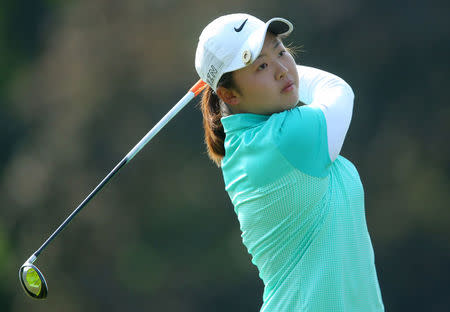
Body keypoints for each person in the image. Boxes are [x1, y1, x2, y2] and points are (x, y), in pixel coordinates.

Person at [195, 13, 385, 311]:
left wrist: (255, 66)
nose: (283, 70)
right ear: (229, 94)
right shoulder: (283, 138)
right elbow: (338, 90)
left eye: (282, 51)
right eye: (262, 66)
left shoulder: (252, 140)